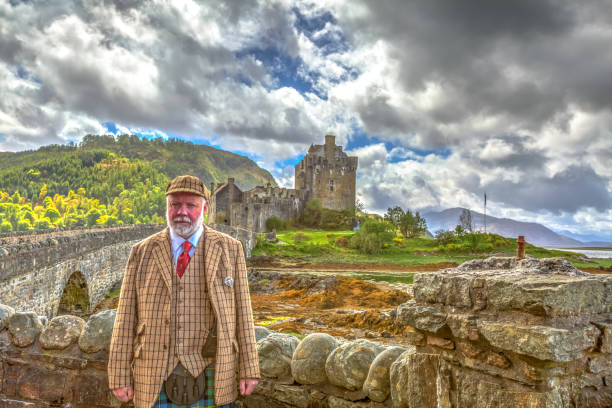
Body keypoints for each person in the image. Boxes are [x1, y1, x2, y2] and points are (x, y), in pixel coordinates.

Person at [108, 175, 260, 408]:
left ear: (205, 208)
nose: (182, 212)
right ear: (166, 207)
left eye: (191, 205)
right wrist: (119, 375)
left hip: (213, 370)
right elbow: (126, 317)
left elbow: (244, 314)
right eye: (175, 204)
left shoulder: (231, 249)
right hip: (153, 372)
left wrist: (250, 369)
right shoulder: (142, 252)